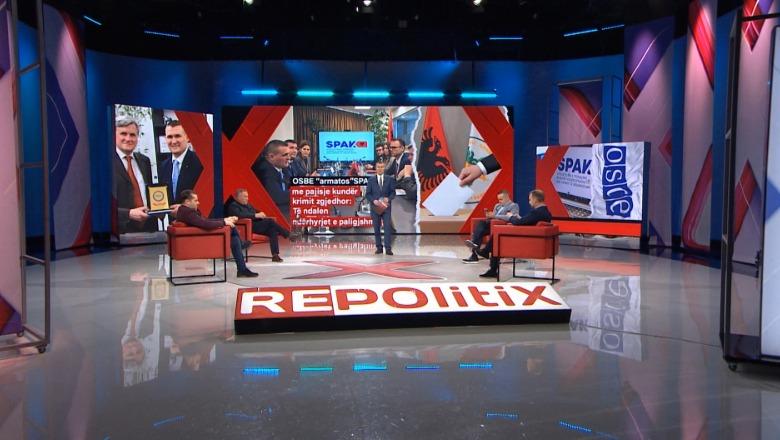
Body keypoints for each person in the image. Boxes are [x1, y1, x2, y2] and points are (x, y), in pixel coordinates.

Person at [175, 190, 258, 278]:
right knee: (231, 229)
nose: (198, 203)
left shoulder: (185, 211)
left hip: (200, 237)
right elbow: (206, 224)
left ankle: (242, 268)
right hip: (201, 241)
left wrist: (225, 219)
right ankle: (242, 251)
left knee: (234, 238)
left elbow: (205, 221)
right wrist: (224, 222)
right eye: (195, 201)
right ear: (187, 202)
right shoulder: (188, 213)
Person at [479, 189, 552, 278]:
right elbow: (525, 222)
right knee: (498, 236)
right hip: (531, 236)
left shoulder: (537, 212)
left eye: (530, 199)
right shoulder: (545, 211)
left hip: (526, 239)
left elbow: (518, 223)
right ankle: (490, 263)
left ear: (535, 199)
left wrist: (511, 217)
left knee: (498, 235)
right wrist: (519, 219)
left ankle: (487, 254)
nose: (529, 202)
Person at [113, 117, 157, 233]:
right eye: (123, 134)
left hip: (148, 229)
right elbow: (100, 206)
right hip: (121, 232)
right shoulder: (104, 163)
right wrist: (128, 214)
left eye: (132, 135)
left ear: (137, 137)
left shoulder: (144, 161)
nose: (128, 139)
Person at [225, 188, 293, 262]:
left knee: (272, 231)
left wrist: (261, 213)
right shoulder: (233, 206)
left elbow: (255, 211)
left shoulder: (248, 205)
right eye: (245, 196)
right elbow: (240, 215)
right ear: (238, 197)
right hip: (247, 227)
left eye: (247, 196)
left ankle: (275, 255)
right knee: (270, 221)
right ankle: (287, 234)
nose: (247, 198)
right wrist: (255, 215)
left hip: (256, 225)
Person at [462, 189, 520, 263]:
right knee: (480, 227)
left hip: (500, 226)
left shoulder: (514, 206)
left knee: (480, 228)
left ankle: (475, 246)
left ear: (507, 198)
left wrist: (495, 216)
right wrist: (489, 216)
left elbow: (511, 218)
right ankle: (474, 252)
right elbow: (494, 216)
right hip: (491, 224)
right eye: (498, 199)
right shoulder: (497, 205)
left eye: (501, 199)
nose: (499, 201)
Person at [158, 120, 204, 203]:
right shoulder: (163, 166)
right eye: (169, 137)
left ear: (187, 137)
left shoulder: (200, 163)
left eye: (177, 136)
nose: (173, 141)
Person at [251, 139, 292, 219]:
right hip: (271, 214)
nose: (289, 158)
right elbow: (278, 197)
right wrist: (300, 192)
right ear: (271, 156)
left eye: (289, 155)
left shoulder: (283, 168)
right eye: (285, 155)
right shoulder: (265, 171)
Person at [366, 161, 396, 255]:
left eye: (382, 167)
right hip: (375, 208)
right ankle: (379, 248)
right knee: (376, 228)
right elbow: (368, 194)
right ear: (376, 168)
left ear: (384, 168)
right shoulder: (371, 180)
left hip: (386, 208)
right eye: (378, 167)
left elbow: (393, 193)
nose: (380, 169)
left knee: (387, 228)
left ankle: (388, 248)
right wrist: (373, 200)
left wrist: (388, 198)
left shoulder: (389, 179)